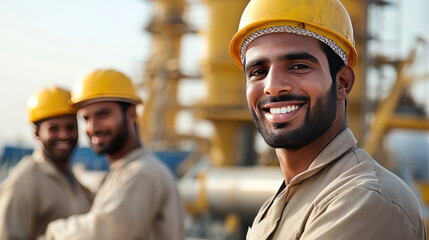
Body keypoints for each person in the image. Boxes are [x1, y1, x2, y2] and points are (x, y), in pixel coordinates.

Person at [229, 0, 426, 239]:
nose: (273, 87)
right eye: (258, 71)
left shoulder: (364, 198)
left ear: (342, 82)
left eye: (298, 66)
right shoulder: (276, 205)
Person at [45, 69, 185, 240]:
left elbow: (103, 232)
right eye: (86, 118)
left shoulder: (143, 173)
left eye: (103, 114)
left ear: (131, 114)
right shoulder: (123, 171)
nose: (93, 127)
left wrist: (53, 232)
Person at [0, 86, 93, 240]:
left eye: (70, 127)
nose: (63, 135)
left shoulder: (74, 181)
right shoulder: (24, 182)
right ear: (37, 133)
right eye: (53, 129)